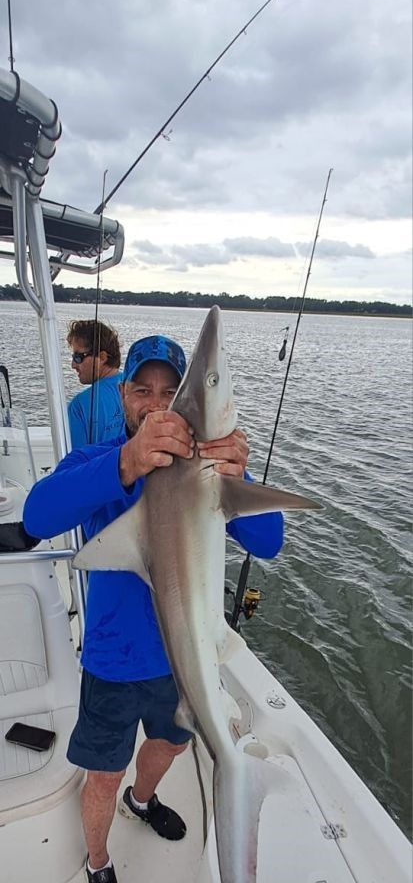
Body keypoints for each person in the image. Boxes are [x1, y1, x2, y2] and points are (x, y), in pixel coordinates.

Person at [23, 333, 284, 883]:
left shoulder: (212, 475)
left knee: (168, 744)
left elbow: (268, 541)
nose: (156, 403)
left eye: (170, 392)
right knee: (102, 773)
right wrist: (126, 462)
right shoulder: (99, 461)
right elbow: (37, 516)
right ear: (123, 394)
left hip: (180, 666)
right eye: (142, 389)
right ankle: (98, 862)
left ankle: (142, 801)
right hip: (112, 663)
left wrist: (240, 476)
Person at [67, 319, 124, 448]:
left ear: (102, 357)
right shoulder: (141, 390)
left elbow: (77, 463)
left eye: (78, 357)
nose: (73, 365)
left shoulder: (78, 407)